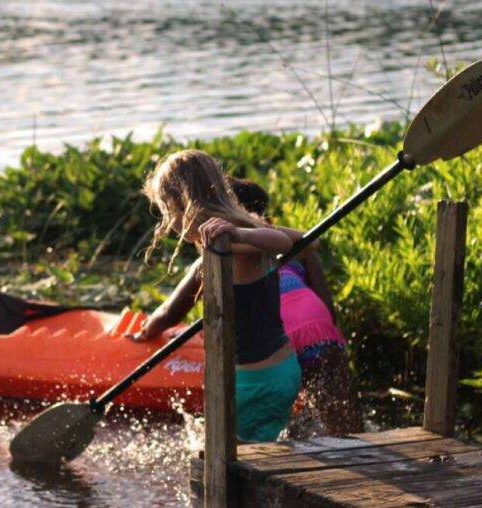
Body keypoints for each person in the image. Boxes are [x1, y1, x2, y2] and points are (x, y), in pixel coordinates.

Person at [131, 176, 363, 436]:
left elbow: (169, 314)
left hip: (273, 343)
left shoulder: (221, 253)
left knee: (260, 430)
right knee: (344, 425)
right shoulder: (284, 241)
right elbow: (326, 304)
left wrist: (145, 332)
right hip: (318, 330)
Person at [131, 149, 300, 442]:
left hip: (249, 384)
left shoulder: (230, 242)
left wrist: (240, 234)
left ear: (178, 205)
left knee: (228, 468)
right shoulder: (245, 231)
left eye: (166, 212)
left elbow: (283, 241)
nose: (169, 224)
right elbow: (304, 240)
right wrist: (249, 229)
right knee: (265, 454)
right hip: (283, 370)